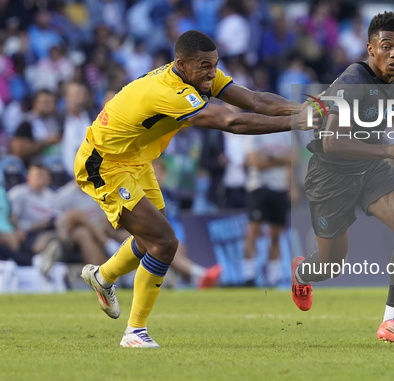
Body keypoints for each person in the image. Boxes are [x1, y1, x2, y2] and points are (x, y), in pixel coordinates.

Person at [75, 30, 315, 348]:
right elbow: (233, 123)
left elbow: (256, 101)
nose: (212, 72)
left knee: (151, 242)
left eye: (214, 65)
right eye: (205, 66)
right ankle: (135, 332)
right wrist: (303, 122)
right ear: (181, 64)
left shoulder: (198, 74)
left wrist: (307, 111)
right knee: (163, 242)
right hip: (103, 163)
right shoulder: (168, 91)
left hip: (134, 158)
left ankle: (103, 277)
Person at [290, 12, 394, 347]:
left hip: (370, 168)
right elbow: (330, 140)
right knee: (330, 266)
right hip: (330, 174)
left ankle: (392, 321)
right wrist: (388, 152)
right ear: (370, 49)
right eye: (386, 47)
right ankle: (302, 273)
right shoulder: (353, 81)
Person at [152, 158, 221, 288]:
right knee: (168, 251)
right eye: (152, 173)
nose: (156, 177)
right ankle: (201, 275)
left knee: (173, 252)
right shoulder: (145, 198)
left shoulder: (170, 195)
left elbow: (176, 223)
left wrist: (179, 241)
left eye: (158, 173)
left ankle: (195, 278)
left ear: (165, 174)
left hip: (173, 240)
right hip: (156, 243)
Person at [242, 132, 291, 286]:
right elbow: (255, 161)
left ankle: (273, 278)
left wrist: (268, 159)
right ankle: (248, 276)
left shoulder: (286, 134)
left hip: (280, 187)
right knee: (254, 230)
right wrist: (279, 160)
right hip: (259, 187)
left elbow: (293, 158)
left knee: (276, 233)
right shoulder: (254, 133)